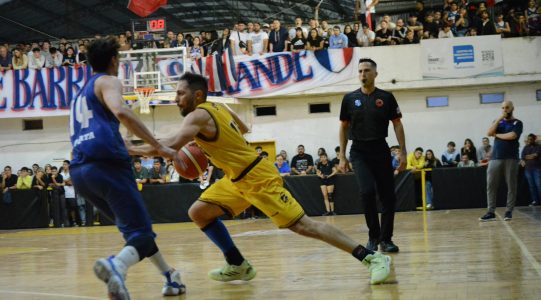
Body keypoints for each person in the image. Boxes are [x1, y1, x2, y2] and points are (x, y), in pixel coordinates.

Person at [128, 72, 392, 285]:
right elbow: (243, 128)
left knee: (304, 226)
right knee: (199, 212)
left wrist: (129, 149)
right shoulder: (218, 107)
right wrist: (218, 147)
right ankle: (237, 264)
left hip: (257, 177)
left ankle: (371, 258)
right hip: (236, 178)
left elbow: (170, 145)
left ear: (197, 95)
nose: (176, 99)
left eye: (180, 93)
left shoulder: (198, 115)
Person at [68, 37, 185, 299]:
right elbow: (121, 111)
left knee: (134, 232)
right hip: (108, 167)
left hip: (80, 173)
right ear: (114, 61)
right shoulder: (108, 81)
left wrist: (146, 150)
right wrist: (158, 145)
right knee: (142, 232)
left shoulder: (80, 94)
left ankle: (170, 277)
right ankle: (116, 266)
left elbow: (122, 143)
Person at [338, 58, 407, 253]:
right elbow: (343, 128)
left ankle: (386, 239)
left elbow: (397, 124)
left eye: (367, 71)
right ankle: (373, 236)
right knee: (367, 192)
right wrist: (342, 156)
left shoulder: (386, 97)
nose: (363, 74)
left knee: (388, 197)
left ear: (375, 74)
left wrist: (402, 152)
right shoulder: (349, 99)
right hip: (359, 152)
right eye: (360, 71)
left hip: (381, 150)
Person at [479, 101, 523, 222]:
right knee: (491, 185)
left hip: (511, 158)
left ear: (512, 108)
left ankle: (509, 211)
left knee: (511, 185)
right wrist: (499, 119)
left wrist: (497, 135)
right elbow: (489, 133)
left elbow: (512, 136)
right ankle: (490, 212)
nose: (505, 109)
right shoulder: (499, 121)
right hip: (495, 158)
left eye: (507, 107)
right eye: (503, 108)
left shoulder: (517, 123)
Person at [521, 134, 541, 206]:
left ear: (534, 139)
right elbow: (523, 156)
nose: (529, 140)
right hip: (528, 169)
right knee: (531, 186)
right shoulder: (526, 147)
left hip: (537, 169)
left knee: (539, 185)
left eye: (531, 139)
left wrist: (528, 156)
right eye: (528, 139)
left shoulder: (539, 146)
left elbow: (536, 155)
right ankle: (535, 201)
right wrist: (531, 156)